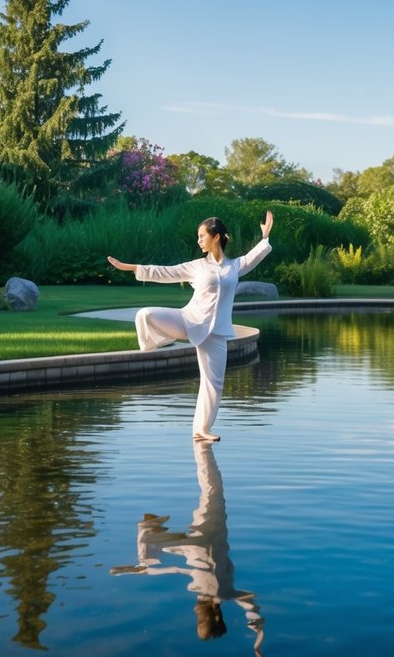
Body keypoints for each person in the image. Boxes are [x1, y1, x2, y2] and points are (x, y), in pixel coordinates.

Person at [107, 211, 274, 443]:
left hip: (215, 333)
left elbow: (253, 257)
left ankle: (201, 429)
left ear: (216, 237)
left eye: (202, 235)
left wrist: (265, 237)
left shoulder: (234, 267)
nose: (198, 240)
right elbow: (167, 271)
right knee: (145, 315)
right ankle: (158, 342)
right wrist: (131, 267)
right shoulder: (197, 266)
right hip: (188, 320)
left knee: (213, 384)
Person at [110, 441, 266, 655]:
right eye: (200, 618)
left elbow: (178, 570)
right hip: (206, 537)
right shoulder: (226, 593)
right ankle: (202, 447)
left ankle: (151, 533)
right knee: (212, 489)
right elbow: (251, 607)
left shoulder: (219, 593)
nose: (194, 611)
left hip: (192, 545)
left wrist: (146, 569)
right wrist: (257, 636)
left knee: (212, 490)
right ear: (215, 615)